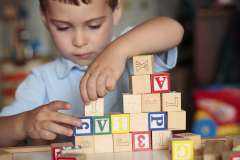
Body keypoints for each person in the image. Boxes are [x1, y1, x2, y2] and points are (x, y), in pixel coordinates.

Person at [0, 0, 184, 147]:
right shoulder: (42, 79)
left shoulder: (134, 49)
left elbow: (174, 29)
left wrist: (119, 50)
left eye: (94, 25)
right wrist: (22, 124)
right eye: (63, 27)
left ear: (116, 11)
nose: (79, 41)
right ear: (45, 18)